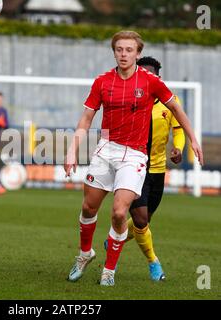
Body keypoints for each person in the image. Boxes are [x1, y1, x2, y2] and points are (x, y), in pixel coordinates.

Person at [64, 31, 203, 287]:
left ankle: (109, 270)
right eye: (119, 49)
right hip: (106, 150)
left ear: (138, 53)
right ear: (114, 52)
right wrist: (73, 149)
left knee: (119, 213)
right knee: (87, 208)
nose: (124, 54)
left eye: (129, 50)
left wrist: (192, 138)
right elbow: (86, 118)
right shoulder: (102, 82)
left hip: (135, 155)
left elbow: (176, 108)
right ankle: (85, 254)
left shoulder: (150, 81)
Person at [103, 56, 186, 281]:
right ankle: (153, 263)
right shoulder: (131, 100)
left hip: (158, 170)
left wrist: (178, 148)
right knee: (141, 220)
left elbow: (178, 129)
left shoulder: (171, 102)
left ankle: (114, 239)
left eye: (151, 76)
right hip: (132, 166)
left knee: (144, 220)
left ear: (157, 78)